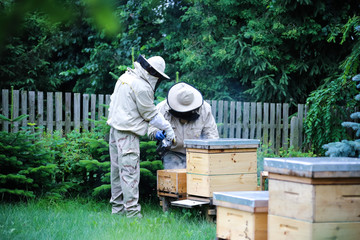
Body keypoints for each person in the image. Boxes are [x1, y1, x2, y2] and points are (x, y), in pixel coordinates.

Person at [107, 55, 175, 218]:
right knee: (130, 173)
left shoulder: (125, 77)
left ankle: (117, 211)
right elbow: (150, 114)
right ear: (153, 73)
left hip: (114, 131)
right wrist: (168, 128)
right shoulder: (141, 86)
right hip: (128, 134)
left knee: (116, 172)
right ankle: (132, 214)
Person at [148, 82, 219, 169]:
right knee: (174, 179)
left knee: (197, 180)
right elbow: (151, 128)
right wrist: (156, 132)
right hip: (172, 152)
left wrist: (212, 154)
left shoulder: (205, 109)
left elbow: (211, 134)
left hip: (197, 153)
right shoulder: (162, 108)